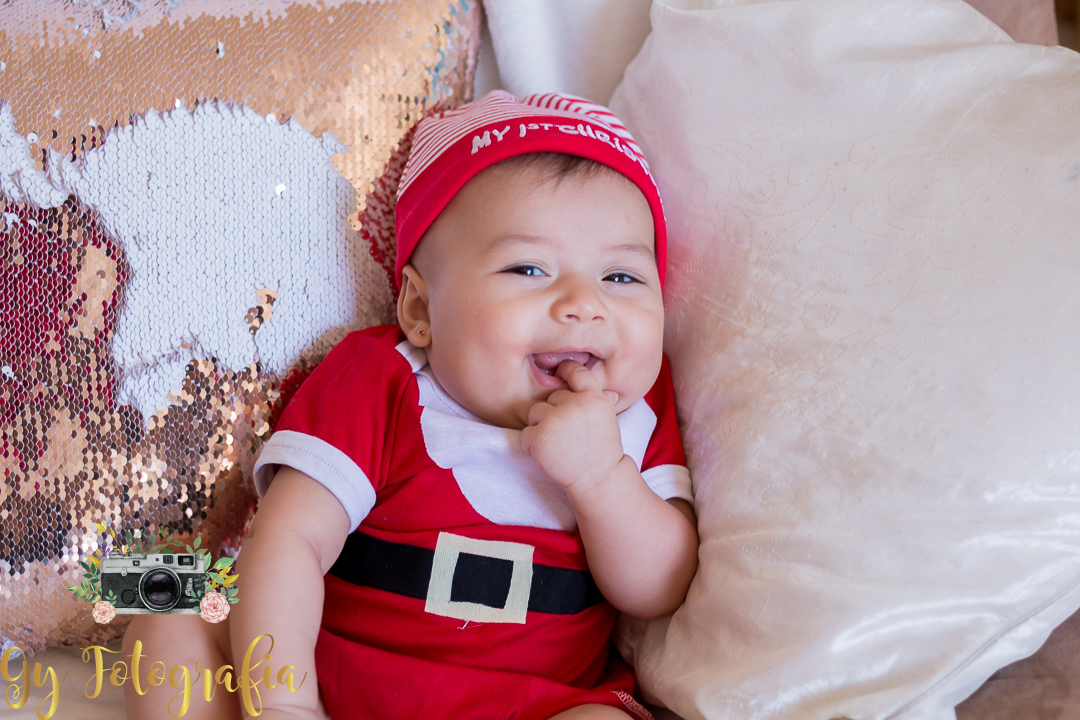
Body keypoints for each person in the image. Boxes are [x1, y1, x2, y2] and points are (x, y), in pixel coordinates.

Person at [123, 91, 699, 720]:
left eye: (622, 278)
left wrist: (600, 477)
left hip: (535, 703)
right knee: (167, 616)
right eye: (529, 268)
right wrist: (284, 703)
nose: (583, 304)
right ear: (421, 311)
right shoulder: (382, 379)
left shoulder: (635, 412)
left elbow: (660, 590)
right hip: (325, 671)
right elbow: (289, 539)